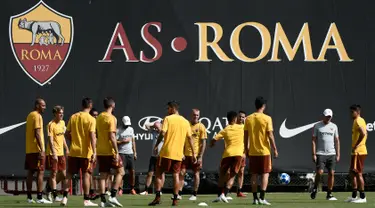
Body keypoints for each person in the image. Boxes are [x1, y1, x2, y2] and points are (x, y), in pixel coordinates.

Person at [148, 101, 195, 206]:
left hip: (166, 152)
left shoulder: (168, 118)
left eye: (168, 108)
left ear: (173, 108)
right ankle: (175, 199)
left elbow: (162, 133)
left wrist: (156, 146)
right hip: (178, 154)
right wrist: (194, 153)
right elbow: (190, 138)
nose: (167, 110)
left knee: (159, 173)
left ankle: (158, 197)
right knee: (176, 175)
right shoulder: (185, 121)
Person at [63, 98, 97, 206]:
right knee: (86, 175)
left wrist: (74, 140)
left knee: (69, 174)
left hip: (74, 151)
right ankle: (86, 200)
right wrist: (95, 151)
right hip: (86, 152)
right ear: (90, 105)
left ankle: (64, 197)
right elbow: (92, 136)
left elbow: (66, 133)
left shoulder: (73, 117)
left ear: (82, 105)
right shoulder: (91, 119)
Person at [244, 96, 278, 205]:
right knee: (265, 174)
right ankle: (262, 198)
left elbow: (245, 136)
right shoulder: (267, 118)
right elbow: (270, 135)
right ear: (264, 106)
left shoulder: (248, 118)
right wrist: (275, 149)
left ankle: (255, 199)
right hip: (264, 152)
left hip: (253, 151)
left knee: (254, 175)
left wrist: (246, 149)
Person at [210, 111, 244, 203]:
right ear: (235, 119)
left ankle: (220, 195)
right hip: (238, 155)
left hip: (227, 155)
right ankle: (224, 195)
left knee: (222, 175)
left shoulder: (225, 129)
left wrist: (212, 144)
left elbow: (214, 139)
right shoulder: (242, 127)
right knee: (232, 176)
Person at [96, 97, 124, 207]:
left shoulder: (99, 117)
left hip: (100, 150)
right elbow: (112, 136)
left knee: (103, 176)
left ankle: (103, 201)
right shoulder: (111, 118)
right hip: (110, 151)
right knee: (121, 172)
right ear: (113, 105)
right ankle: (112, 196)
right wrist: (116, 152)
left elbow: (97, 134)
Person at [25, 98, 52, 204]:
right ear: (37, 105)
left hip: (30, 149)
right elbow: (37, 133)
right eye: (43, 105)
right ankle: (40, 197)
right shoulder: (37, 116)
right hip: (37, 149)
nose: (44, 107)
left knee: (30, 172)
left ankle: (29, 197)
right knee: (40, 172)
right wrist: (41, 149)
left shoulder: (30, 115)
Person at [310, 109, 340, 200]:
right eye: (327, 116)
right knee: (320, 172)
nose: (328, 118)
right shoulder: (317, 126)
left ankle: (329, 194)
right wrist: (314, 154)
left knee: (332, 173)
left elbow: (337, 140)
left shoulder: (334, 126)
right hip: (320, 153)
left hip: (332, 153)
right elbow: (313, 140)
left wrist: (338, 154)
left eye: (329, 117)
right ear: (323, 115)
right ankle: (315, 188)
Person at [179, 109, 207, 201]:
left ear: (199, 116)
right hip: (185, 155)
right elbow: (182, 140)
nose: (196, 116)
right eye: (194, 115)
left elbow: (203, 143)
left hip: (195, 156)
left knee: (196, 174)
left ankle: (194, 194)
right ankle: (179, 193)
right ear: (191, 115)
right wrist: (181, 153)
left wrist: (200, 156)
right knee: (182, 173)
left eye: (197, 115)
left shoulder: (201, 126)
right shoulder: (186, 125)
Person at [46, 106, 70, 203]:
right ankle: (55, 195)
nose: (61, 114)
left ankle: (48, 188)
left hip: (61, 153)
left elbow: (63, 137)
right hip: (53, 153)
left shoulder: (63, 123)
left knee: (64, 175)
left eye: (62, 113)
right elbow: (50, 140)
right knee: (54, 174)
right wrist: (54, 154)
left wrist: (67, 149)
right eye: (60, 113)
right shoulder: (50, 125)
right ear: (55, 113)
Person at [345, 105, 368, 203]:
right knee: (352, 173)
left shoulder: (358, 120)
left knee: (358, 173)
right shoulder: (360, 120)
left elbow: (363, 133)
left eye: (352, 112)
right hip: (356, 152)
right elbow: (366, 133)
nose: (350, 114)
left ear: (357, 112)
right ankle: (354, 195)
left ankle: (363, 197)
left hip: (359, 152)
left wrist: (357, 145)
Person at [140, 121, 165, 195]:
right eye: (155, 128)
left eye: (157, 128)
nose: (156, 129)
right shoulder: (154, 132)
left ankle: (160, 190)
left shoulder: (165, 133)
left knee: (161, 174)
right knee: (150, 173)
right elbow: (146, 125)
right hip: (153, 156)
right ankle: (146, 190)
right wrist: (155, 124)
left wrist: (160, 126)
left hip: (162, 156)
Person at [117, 116, 137, 195]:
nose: (127, 125)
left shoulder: (131, 129)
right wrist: (122, 141)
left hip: (130, 153)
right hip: (121, 153)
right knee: (121, 172)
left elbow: (133, 141)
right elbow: (115, 141)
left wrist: (135, 152)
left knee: (132, 171)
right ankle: (120, 189)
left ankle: (132, 188)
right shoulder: (118, 130)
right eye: (126, 124)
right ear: (122, 122)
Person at [88, 108, 99, 199]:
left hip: (96, 151)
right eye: (94, 115)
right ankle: (91, 192)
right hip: (89, 152)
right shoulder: (89, 124)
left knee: (93, 174)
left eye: (96, 115)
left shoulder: (97, 126)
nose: (95, 117)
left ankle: (93, 191)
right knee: (89, 173)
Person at [236, 110, 247, 197]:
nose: (241, 118)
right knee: (229, 172)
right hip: (233, 153)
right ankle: (224, 191)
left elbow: (248, 140)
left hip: (242, 153)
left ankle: (239, 191)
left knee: (241, 171)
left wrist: (245, 152)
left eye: (243, 117)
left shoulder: (245, 128)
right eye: (240, 116)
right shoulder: (233, 126)